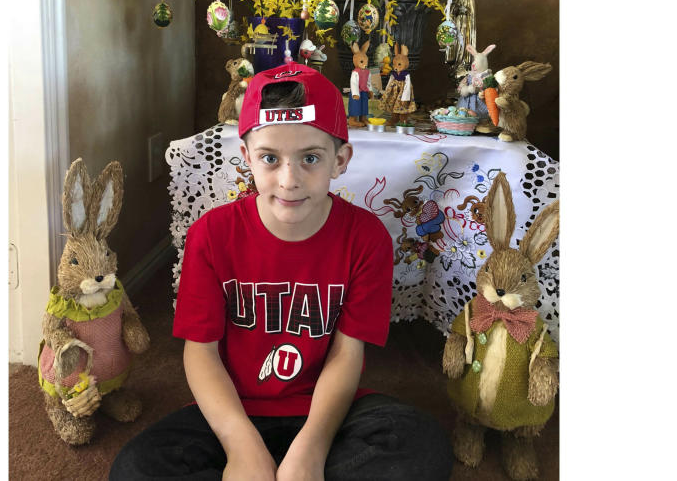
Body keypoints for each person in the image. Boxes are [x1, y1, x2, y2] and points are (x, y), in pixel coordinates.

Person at [111, 63, 454, 480]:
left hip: (327, 410)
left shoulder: (367, 238)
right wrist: (242, 448)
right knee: (135, 469)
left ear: (340, 159)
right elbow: (200, 353)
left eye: (310, 158)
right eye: (270, 158)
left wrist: (312, 448)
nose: (289, 180)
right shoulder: (211, 235)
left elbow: (348, 353)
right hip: (233, 408)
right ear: (246, 158)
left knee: (421, 445)